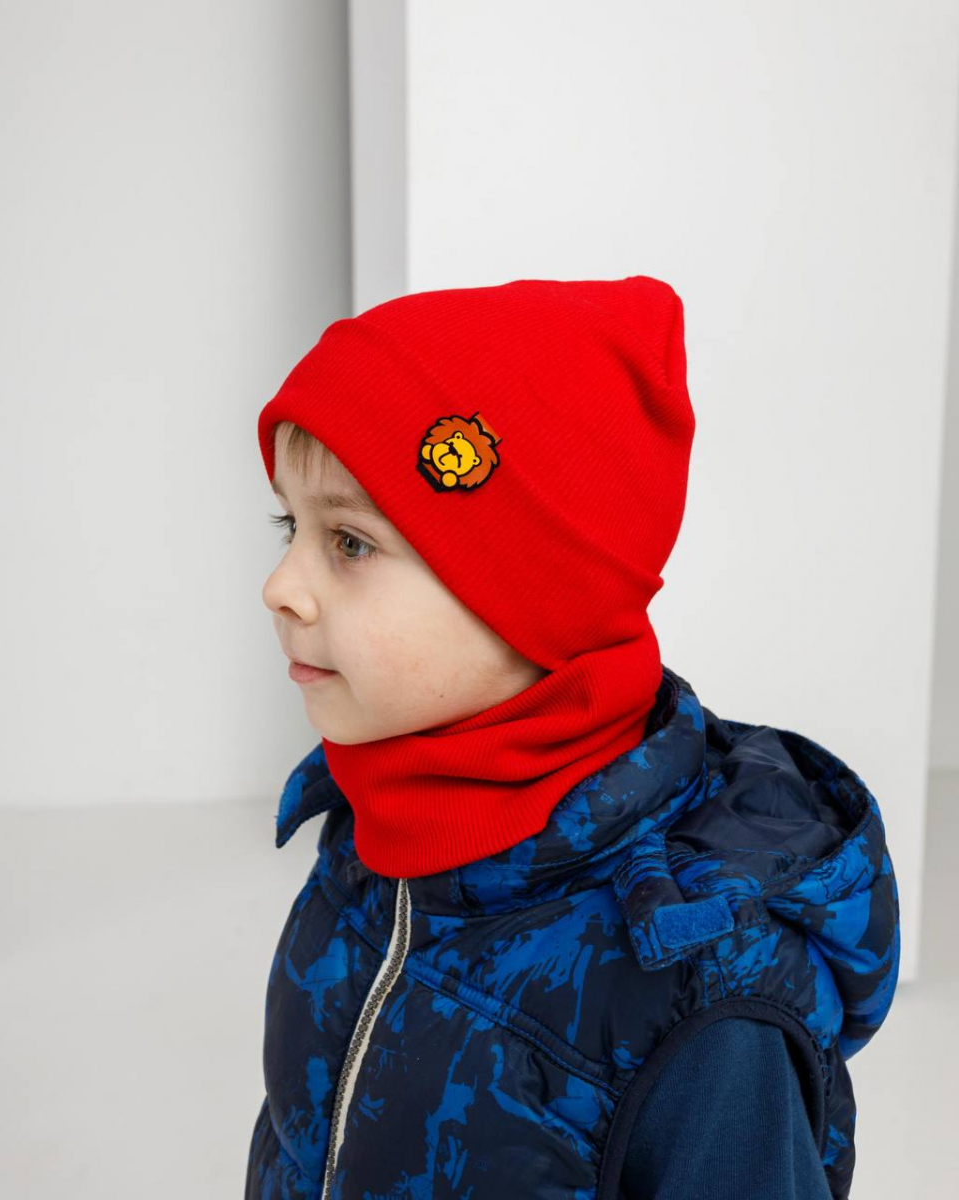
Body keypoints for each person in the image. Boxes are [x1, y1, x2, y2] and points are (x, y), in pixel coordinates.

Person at [245, 274, 900, 1199]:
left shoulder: (693, 993)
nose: (280, 585)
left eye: (350, 543)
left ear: (532, 597)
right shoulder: (372, 830)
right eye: (290, 524)